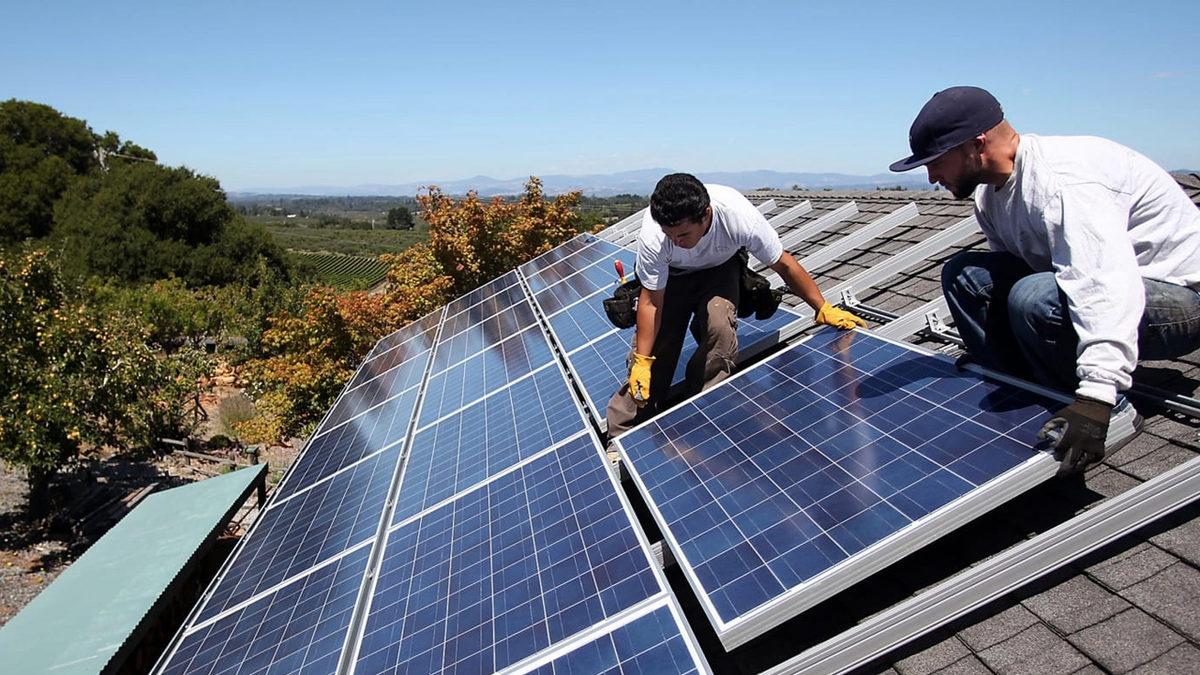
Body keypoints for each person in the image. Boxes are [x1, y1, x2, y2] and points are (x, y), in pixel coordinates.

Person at [890, 86, 1200, 473]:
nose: (932, 176)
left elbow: (1103, 284)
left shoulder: (1065, 182)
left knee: (1034, 296)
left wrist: (1097, 396)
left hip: (1176, 300)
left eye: (936, 162)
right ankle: (1021, 390)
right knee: (965, 274)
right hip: (1094, 290)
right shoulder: (990, 196)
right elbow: (1003, 283)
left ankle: (1098, 406)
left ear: (976, 145)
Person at [605, 173, 866, 438]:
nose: (676, 242)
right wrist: (642, 360)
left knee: (720, 330)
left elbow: (784, 264)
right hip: (671, 278)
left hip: (720, 271)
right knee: (658, 349)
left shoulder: (738, 217)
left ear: (706, 215)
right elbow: (651, 304)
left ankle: (702, 409)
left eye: (683, 234)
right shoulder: (654, 236)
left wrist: (822, 307)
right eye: (669, 234)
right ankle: (622, 433)